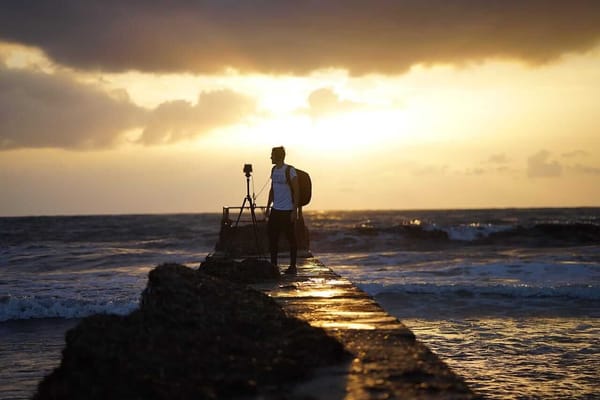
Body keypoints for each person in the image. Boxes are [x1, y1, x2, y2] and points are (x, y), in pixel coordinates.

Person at [266, 146, 299, 274]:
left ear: (278, 156)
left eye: (272, 155)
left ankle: (293, 266)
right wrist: (268, 207)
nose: (270, 157)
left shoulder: (290, 171)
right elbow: (272, 189)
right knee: (272, 238)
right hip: (276, 210)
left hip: (287, 210)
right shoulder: (274, 169)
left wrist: (294, 210)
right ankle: (273, 265)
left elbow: (297, 191)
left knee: (291, 238)